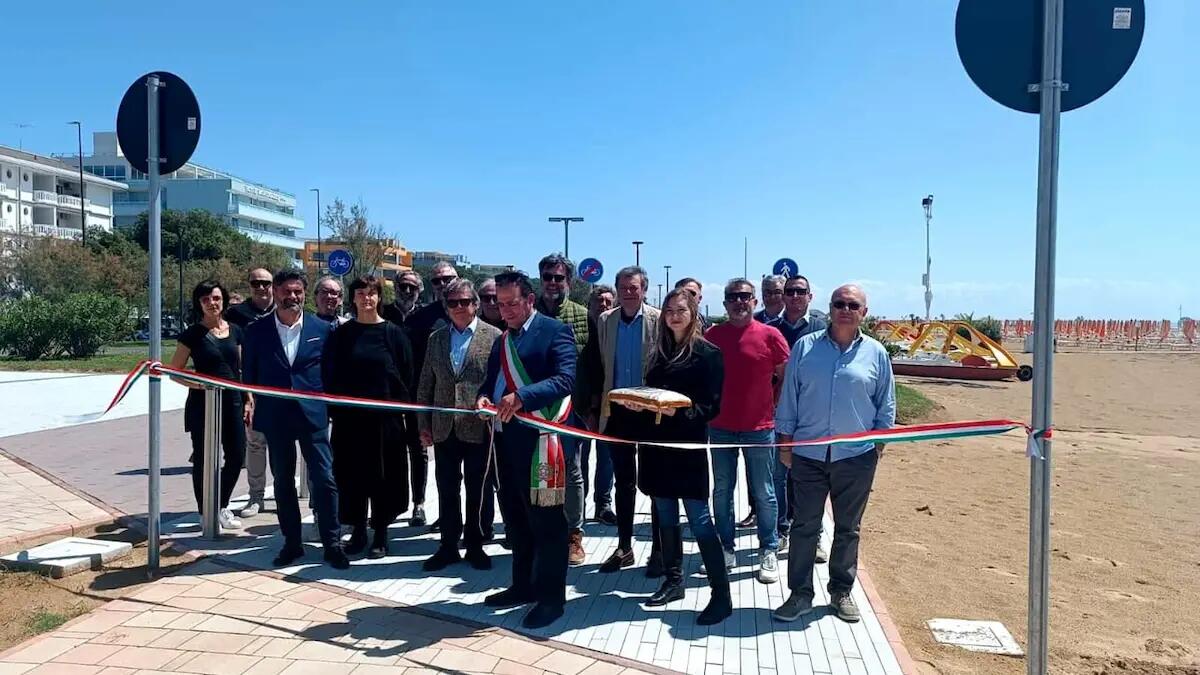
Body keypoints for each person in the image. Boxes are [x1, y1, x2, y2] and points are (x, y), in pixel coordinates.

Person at [773, 284, 895, 623]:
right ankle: (799, 594)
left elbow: (885, 404)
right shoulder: (805, 348)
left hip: (855, 457)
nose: (844, 309)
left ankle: (841, 592)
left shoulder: (876, 353)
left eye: (852, 304)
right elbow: (790, 398)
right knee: (804, 526)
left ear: (863, 313)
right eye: (839, 303)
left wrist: (878, 447)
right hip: (808, 454)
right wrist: (785, 442)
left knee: (848, 528)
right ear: (829, 308)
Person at [622, 289, 731, 625]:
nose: (673, 316)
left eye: (680, 310)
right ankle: (674, 581)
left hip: (687, 450)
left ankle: (721, 596)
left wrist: (673, 413)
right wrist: (637, 406)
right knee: (664, 514)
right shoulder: (657, 353)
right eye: (668, 310)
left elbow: (710, 408)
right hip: (656, 449)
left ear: (694, 312)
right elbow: (652, 397)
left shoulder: (708, 354)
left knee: (699, 520)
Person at [476, 270, 576, 630]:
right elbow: (491, 382)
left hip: (542, 444)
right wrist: (483, 397)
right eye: (500, 305)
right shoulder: (503, 340)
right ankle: (522, 586)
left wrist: (521, 397)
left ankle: (552, 599)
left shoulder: (554, 331)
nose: (504, 311)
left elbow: (565, 379)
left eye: (511, 304)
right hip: (506, 442)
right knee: (516, 520)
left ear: (530, 300)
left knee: (547, 524)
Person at [242, 270, 348, 569]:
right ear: (275, 292)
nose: (293, 297)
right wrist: (248, 403)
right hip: (275, 416)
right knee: (283, 482)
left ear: (305, 294)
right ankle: (292, 543)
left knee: (325, 479)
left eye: (298, 292)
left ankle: (332, 543)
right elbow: (248, 374)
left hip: (313, 415)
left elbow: (331, 373)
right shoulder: (256, 330)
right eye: (287, 291)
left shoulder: (322, 328)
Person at [322, 276, 414, 559]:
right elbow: (329, 375)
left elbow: (406, 376)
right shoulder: (341, 335)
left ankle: (382, 533)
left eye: (371, 293)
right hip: (350, 423)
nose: (366, 298)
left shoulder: (393, 334)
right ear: (352, 299)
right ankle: (358, 531)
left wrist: (408, 418)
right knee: (352, 478)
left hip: (385, 423)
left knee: (384, 478)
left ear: (379, 297)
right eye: (360, 293)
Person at [705, 278, 789, 584]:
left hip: (760, 429)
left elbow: (784, 375)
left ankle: (768, 548)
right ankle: (725, 548)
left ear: (755, 302)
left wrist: (773, 406)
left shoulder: (771, 335)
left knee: (764, 492)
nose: (739, 302)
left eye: (745, 297)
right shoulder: (712, 335)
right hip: (721, 428)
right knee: (723, 491)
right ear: (725, 303)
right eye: (733, 297)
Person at [418, 279, 501, 572]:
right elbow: (426, 384)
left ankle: (475, 544)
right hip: (443, 427)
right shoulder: (436, 338)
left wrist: (488, 403)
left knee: (478, 488)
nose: (458, 307)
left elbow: (499, 382)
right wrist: (423, 424)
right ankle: (448, 545)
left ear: (475, 304)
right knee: (446, 488)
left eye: (464, 301)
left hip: (478, 426)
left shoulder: (495, 337)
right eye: (452, 302)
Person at [591, 266, 664, 576]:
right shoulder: (605, 321)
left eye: (634, 287)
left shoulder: (659, 319)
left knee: (657, 483)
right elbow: (599, 366)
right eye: (623, 287)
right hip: (618, 412)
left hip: (651, 413)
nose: (628, 292)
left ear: (643, 289)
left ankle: (660, 551)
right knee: (624, 483)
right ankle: (624, 546)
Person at [168, 280, 246, 531]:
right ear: (199, 304)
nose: (212, 303)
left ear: (223, 300)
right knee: (203, 459)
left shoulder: (235, 330)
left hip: (233, 401)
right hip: (203, 404)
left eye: (215, 298)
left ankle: (220, 504)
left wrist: (249, 399)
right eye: (205, 300)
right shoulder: (192, 334)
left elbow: (241, 369)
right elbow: (175, 372)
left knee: (236, 455)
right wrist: (200, 386)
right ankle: (205, 512)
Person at [534, 254, 591, 566]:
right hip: (532, 410)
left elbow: (592, 366)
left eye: (558, 277)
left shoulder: (583, 316)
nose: (552, 283)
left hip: (570, 411)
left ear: (569, 281)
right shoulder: (526, 313)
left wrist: (592, 406)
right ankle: (542, 531)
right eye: (547, 277)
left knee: (571, 471)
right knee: (538, 471)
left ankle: (573, 534)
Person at [393, 265, 458, 529]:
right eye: (437, 280)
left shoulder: (470, 310)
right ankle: (410, 504)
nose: (442, 284)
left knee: (434, 454)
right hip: (411, 394)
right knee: (410, 450)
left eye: (448, 279)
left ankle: (432, 507)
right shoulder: (420, 318)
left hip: (451, 399)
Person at [768, 275, 828, 552]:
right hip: (777, 416)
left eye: (799, 291)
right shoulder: (769, 330)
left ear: (809, 296)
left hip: (811, 419)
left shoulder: (823, 331)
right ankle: (781, 530)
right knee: (778, 477)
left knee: (808, 481)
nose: (794, 296)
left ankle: (812, 535)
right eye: (789, 291)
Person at [224, 268, 275, 520]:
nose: (261, 287)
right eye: (256, 283)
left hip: (282, 388)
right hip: (251, 388)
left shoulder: (284, 309)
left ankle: (293, 493)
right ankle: (256, 496)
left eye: (266, 283)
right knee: (255, 444)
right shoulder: (236, 314)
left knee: (286, 444)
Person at [579, 284, 617, 527]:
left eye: (607, 301)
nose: (602, 305)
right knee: (579, 458)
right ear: (589, 305)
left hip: (609, 404)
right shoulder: (581, 328)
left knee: (607, 459)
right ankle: (577, 506)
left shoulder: (615, 327)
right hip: (581, 404)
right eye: (598, 301)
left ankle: (603, 504)